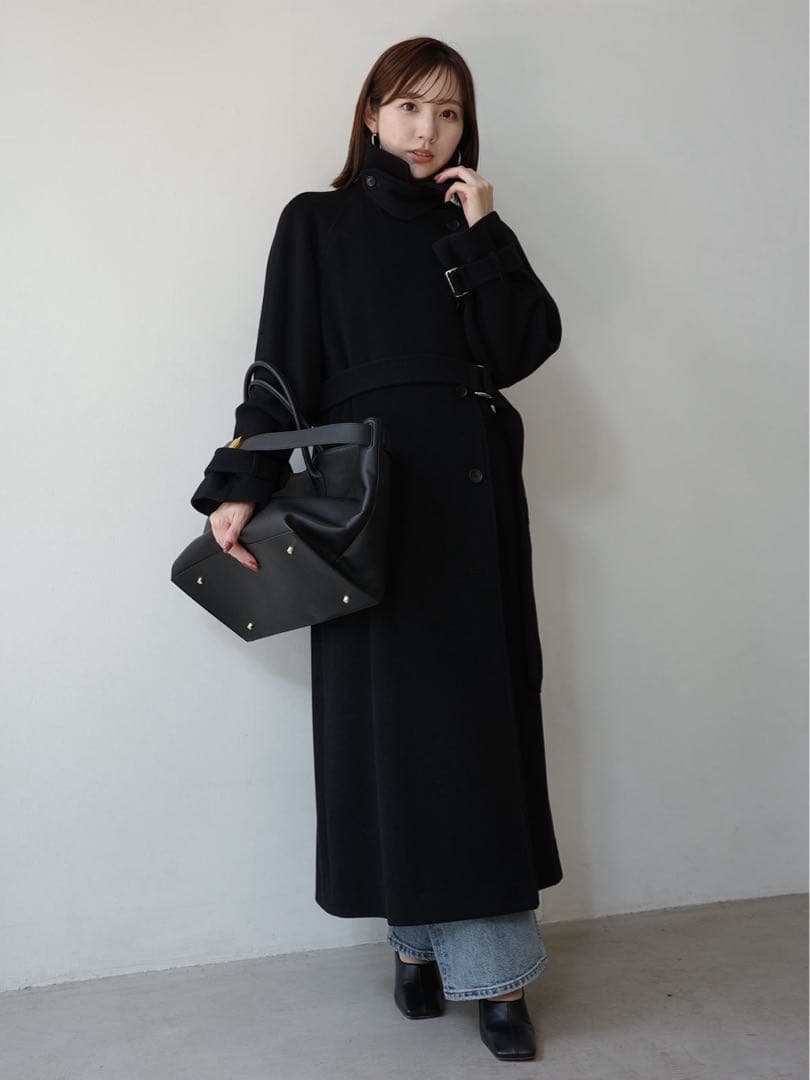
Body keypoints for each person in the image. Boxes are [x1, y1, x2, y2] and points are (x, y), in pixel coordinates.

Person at [188, 37, 564, 1062]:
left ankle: (495, 977)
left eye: (448, 113)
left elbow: (522, 349)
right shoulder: (316, 222)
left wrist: (484, 231)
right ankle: (415, 946)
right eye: (408, 107)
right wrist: (242, 485)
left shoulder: (466, 230)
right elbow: (280, 364)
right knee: (394, 735)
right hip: (365, 506)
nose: (426, 130)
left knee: (476, 738)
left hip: (473, 506)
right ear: (370, 114)